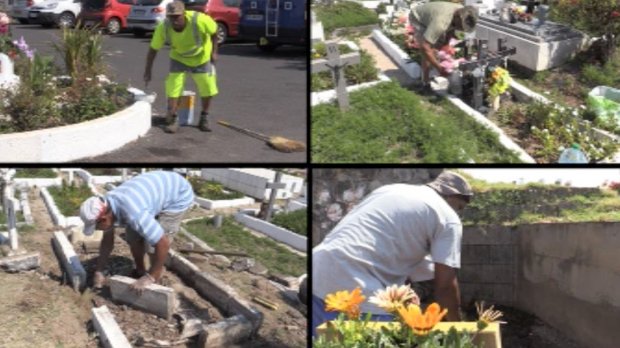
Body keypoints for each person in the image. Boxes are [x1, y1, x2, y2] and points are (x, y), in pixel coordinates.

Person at [312, 171, 473, 336]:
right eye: (459, 207)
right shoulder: (448, 218)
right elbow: (445, 285)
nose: (458, 213)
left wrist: (405, 293)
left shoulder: (390, 190)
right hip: (361, 289)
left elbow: (392, 249)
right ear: (452, 196)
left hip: (318, 270)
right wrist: (458, 329)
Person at [79, 170, 194, 293]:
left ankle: (155, 277)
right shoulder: (107, 205)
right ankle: (140, 270)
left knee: (152, 247)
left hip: (176, 194)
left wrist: (150, 276)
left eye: (96, 227)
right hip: (153, 192)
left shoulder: (134, 213)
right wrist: (99, 271)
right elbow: (107, 242)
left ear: (104, 218)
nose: (97, 229)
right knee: (133, 238)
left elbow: (163, 243)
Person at [144, 1, 219, 133]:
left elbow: (214, 32)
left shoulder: (199, 20)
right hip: (179, 57)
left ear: (184, 14)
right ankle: (173, 118)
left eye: (177, 16)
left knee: (207, 87)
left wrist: (214, 52)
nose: (174, 20)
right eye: (171, 17)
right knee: (173, 87)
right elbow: (153, 49)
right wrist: (148, 70)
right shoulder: (163, 27)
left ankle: (204, 117)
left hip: (201, 57)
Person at [407, 2, 478, 88]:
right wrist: (439, 68)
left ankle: (431, 64)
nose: (461, 29)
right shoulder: (440, 23)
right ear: (458, 18)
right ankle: (425, 81)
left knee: (439, 45)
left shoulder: (462, 11)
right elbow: (425, 47)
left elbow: (452, 27)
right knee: (430, 49)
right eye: (461, 26)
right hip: (417, 18)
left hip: (435, 16)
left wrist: (446, 43)